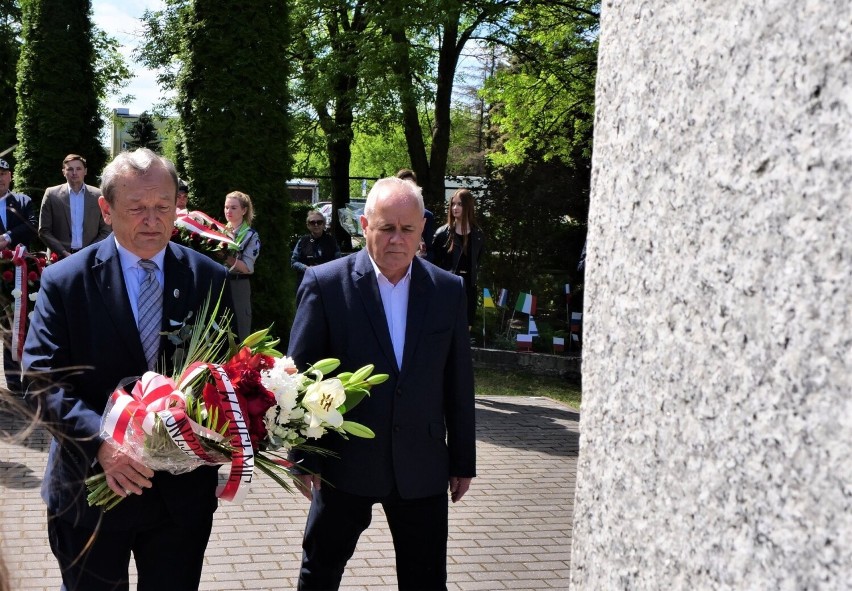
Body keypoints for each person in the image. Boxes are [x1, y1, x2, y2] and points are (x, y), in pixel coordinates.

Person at [22, 148, 232, 591]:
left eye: (164, 207)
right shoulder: (66, 281)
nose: (152, 220)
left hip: (180, 499)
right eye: (137, 208)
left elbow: (227, 374)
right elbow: (40, 376)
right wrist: (102, 441)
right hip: (92, 489)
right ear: (106, 208)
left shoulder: (209, 278)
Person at [288, 176, 476, 590]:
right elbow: (298, 378)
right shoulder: (325, 284)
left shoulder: (447, 290)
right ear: (364, 224)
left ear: (422, 229)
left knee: (426, 579)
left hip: (422, 466)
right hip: (344, 464)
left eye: (407, 229)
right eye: (386, 227)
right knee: (319, 572)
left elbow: (458, 381)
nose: (397, 239)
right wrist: (303, 456)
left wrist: (463, 459)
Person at [0, 157, 38, 397]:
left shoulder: (23, 201)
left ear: (10, 176)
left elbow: (33, 226)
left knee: (13, 325)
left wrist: (9, 237)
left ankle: (14, 382)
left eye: (3, 174)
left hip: (14, 275)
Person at [38, 154, 111, 259]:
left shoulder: (98, 195)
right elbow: (44, 231)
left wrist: (88, 252)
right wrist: (62, 252)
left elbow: (106, 230)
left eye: (78, 169)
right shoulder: (51, 194)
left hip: (90, 258)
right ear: (64, 172)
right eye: (70, 169)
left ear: (85, 171)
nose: (74, 173)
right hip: (59, 258)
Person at [432, 188, 485, 331]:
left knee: (464, 333)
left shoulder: (478, 235)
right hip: (447, 290)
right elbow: (433, 264)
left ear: (468, 206)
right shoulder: (442, 233)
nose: (455, 208)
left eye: (460, 204)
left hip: (469, 290)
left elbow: (477, 263)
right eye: (453, 204)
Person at [222, 190, 260, 341]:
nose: (228, 211)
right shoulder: (217, 231)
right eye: (226, 207)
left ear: (244, 210)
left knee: (240, 329)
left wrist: (227, 258)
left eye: (233, 207)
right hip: (220, 282)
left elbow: (248, 268)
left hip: (238, 284)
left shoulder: (251, 235)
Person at [290, 209, 341, 286]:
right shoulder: (303, 241)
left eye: (319, 222)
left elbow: (338, 262)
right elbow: (294, 262)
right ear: (308, 225)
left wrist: (324, 268)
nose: (316, 225)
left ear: (323, 225)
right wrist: (306, 268)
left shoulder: (331, 241)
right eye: (312, 222)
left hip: (327, 282)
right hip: (306, 281)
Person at [395, 168, 435, 261]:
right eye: (405, 185)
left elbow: (429, 249)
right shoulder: (390, 214)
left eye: (411, 186)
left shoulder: (426, 216)